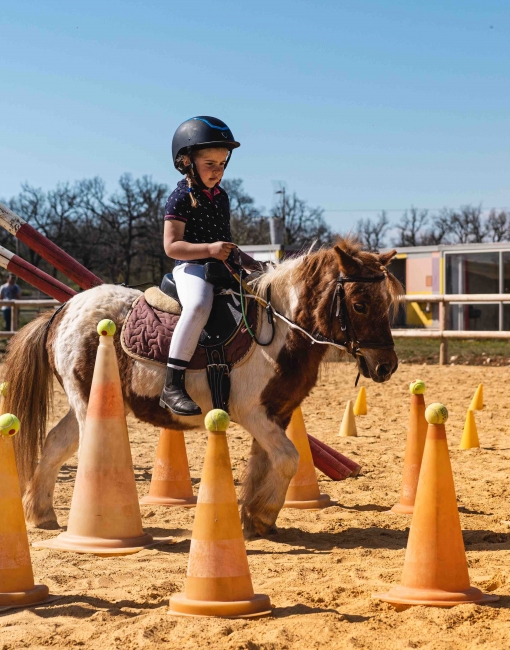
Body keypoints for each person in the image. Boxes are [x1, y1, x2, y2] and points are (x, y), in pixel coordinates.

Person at [161, 116, 260, 416]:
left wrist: (255, 265)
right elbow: (171, 246)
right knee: (200, 305)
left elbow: (226, 245)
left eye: (223, 163)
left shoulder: (222, 198)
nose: (217, 171)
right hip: (189, 267)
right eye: (210, 163)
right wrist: (210, 250)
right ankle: (172, 384)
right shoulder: (179, 197)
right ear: (187, 162)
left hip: (219, 265)